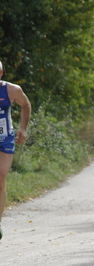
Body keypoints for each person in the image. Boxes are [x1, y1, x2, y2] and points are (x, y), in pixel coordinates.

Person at [0, 60, 32, 240]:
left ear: (1, 74)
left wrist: (23, 128)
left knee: (1, 177)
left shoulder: (12, 90)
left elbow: (25, 105)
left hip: (5, 139)